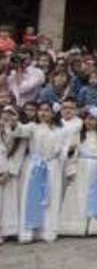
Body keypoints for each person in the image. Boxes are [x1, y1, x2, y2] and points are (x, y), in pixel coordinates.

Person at [12, 102, 70, 243]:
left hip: (52, 167)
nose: (43, 113)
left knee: (50, 198)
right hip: (34, 166)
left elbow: (64, 148)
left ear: (53, 113)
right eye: (40, 110)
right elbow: (20, 131)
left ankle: (47, 230)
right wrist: (14, 121)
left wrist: (63, 153)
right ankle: (29, 230)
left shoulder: (61, 129)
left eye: (47, 110)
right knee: (32, 198)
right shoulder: (33, 127)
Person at [58, 108, 97, 236]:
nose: (89, 122)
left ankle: (96, 226)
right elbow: (72, 155)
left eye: (93, 119)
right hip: (81, 169)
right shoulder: (78, 134)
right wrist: (70, 169)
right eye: (87, 119)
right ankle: (77, 226)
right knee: (80, 196)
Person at [1, 105, 27, 241]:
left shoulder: (21, 132)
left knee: (10, 201)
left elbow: (19, 154)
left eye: (11, 114)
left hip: (11, 173)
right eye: (5, 113)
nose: (7, 116)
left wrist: (9, 172)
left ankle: (9, 230)